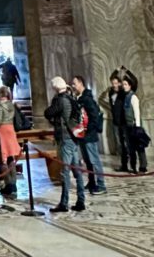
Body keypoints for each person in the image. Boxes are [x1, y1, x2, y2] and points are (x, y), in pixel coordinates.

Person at [44, 76, 86, 213]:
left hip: (65, 137)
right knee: (77, 170)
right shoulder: (71, 98)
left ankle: (64, 203)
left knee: (65, 171)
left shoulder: (60, 100)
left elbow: (48, 112)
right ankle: (81, 200)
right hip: (73, 137)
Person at [72, 75, 107, 194]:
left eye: (74, 83)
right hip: (83, 134)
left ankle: (101, 184)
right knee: (87, 160)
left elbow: (94, 117)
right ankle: (92, 181)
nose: (73, 86)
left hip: (89, 135)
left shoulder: (87, 99)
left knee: (94, 159)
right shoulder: (79, 98)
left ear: (81, 83)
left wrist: (87, 129)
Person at [0, 86, 20, 197]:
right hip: (11, 129)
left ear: (0, 94)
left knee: (3, 159)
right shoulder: (11, 104)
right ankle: (13, 184)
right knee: (11, 157)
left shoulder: (0, 105)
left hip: (2, 132)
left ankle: (8, 185)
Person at [121, 75, 147, 174]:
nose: (124, 86)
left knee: (139, 147)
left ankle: (143, 167)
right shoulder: (126, 97)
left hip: (134, 126)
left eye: (125, 84)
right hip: (128, 126)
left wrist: (137, 126)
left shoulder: (133, 97)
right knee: (131, 147)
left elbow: (137, 112)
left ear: (130, 85)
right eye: (123, 84)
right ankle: (133, 166)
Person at [108, 72, 129, 172]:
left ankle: (131, 165)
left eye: (116, 83)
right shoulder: (111, 92)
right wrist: (116, 71)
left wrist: (123, 71)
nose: (114, 85)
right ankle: (124, 164)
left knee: (127, 143)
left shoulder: (123, 93)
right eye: (113, 83)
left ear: (120, 84)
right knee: (120, 145)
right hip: (116, 122)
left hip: (124, 122)